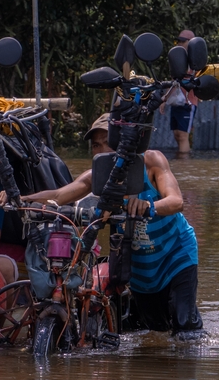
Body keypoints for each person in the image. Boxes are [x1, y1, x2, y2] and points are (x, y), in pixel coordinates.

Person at [22, 115, 203, 335]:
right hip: (140, 267)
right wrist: (20, 200)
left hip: (176, 255)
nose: (102, 150)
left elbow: (176, 201)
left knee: (185, 327)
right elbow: (59, 195)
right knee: (157, 330)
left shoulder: (151, 162)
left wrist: (147, 205)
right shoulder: (96, 178)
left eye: (107, 142)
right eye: (96, 145)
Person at [170, 29, 198, 155]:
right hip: (176, 100)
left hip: (188, 101)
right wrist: (165, 99)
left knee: (183, 135)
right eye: (179, 41)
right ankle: (181, 162)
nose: (180, 43)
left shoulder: (196, 61)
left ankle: (184, 164)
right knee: (176, 133)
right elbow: (172, 80)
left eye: (183, 41)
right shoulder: (177, 59)